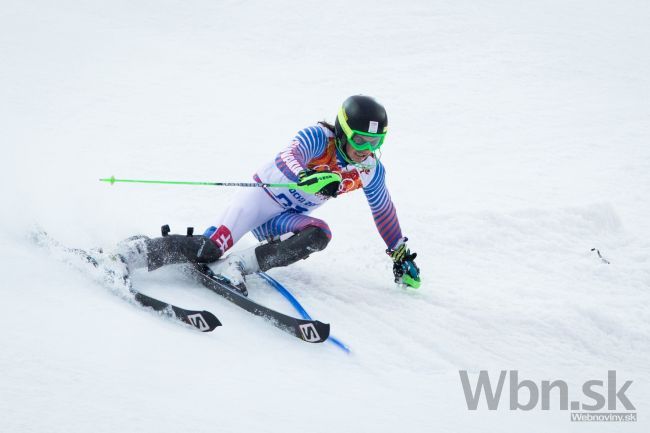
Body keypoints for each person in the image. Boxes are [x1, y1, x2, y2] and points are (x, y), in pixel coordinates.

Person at [114, 95, 420, 295]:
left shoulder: (369, 169)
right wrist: (304, 176)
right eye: (361, 140)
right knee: (208, 249)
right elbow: (290, 155)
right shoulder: (319, 137)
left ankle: (239, 266)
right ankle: (131, 254)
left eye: (375, 142)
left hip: (283, 220)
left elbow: (383, 210)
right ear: (342, 130)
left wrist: (399, 252)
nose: (366, 150)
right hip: (259, 201)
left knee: (320, 233)